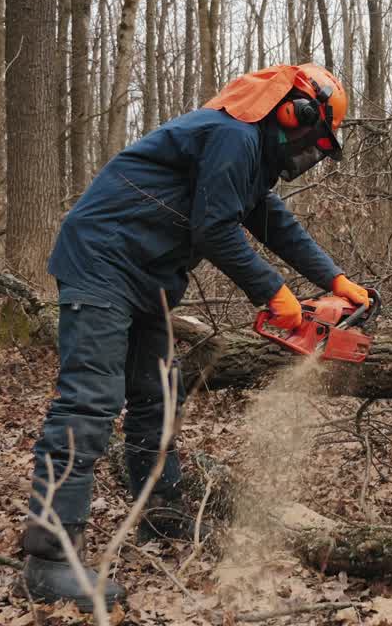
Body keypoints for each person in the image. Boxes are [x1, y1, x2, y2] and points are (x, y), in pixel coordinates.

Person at [20, 63, 370, 608]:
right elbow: (215, 229)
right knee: (90, 398)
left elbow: (271, 221)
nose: (310, 150)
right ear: (293, 111)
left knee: (158, 393)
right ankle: (49, 560)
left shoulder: (248, 155)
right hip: (102, 260)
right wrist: (274, 293)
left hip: (146, 275)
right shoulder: (233, 135)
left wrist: (334, 279)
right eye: (315, 137)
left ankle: (160, 514)